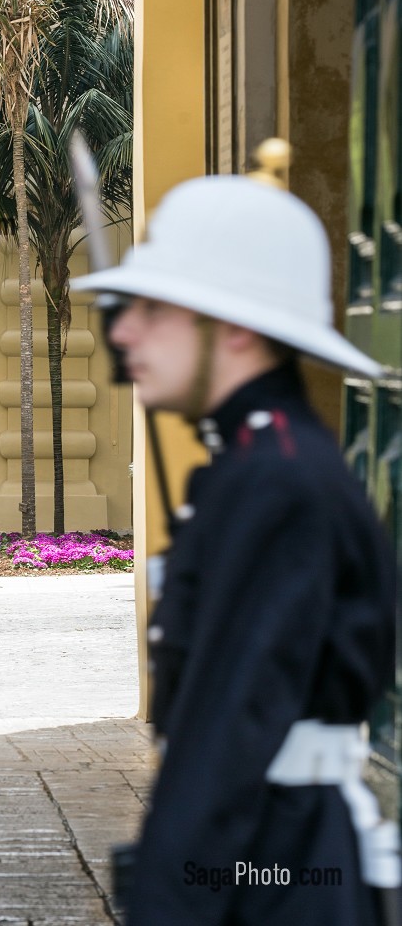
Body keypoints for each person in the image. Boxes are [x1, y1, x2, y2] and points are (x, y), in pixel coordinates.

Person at [72, 145, 399, 925]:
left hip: (276, 858)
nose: (125, 337)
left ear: (238, 331)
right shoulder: (257, 464)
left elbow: (226, 732)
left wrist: (167, 898)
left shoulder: (273, 483)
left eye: (154, 310)